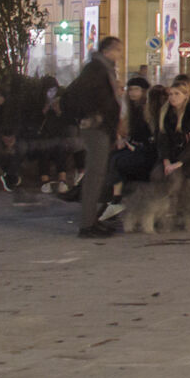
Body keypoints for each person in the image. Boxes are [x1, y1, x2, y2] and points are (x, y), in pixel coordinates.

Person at [61, 36, 127, 240]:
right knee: (94, 176)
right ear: (108, 50)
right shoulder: (96, 69)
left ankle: (91, 221)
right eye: (118, 50)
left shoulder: (102, 69)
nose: (120, 55)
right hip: (96, 128)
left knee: (97, 175)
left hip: (101, 127)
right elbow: (74, 95)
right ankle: (87, 224)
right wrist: (92, 115)